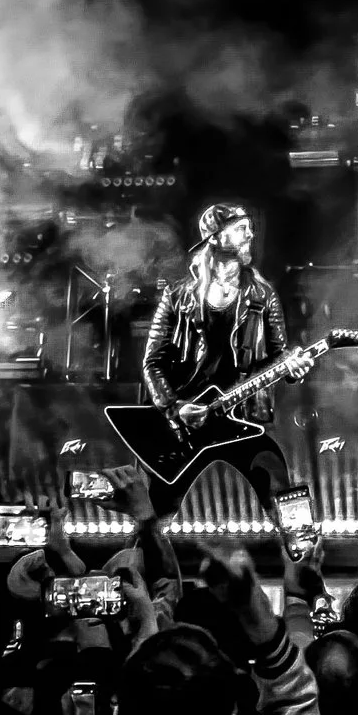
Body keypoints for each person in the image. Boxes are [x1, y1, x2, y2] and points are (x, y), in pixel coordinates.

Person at [139, 202, 304, 527]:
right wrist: (175, 408)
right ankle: (143, 559)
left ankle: (304, 557)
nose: (250, 234)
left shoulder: (263, 295)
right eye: (241, 228)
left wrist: (292, 369)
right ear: (215, 237)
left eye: (250, 228)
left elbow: (278, 356)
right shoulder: (177, 297)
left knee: (289, 507)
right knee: (156, 517)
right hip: (187, 426)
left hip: (242, 419)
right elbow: (152, 362)